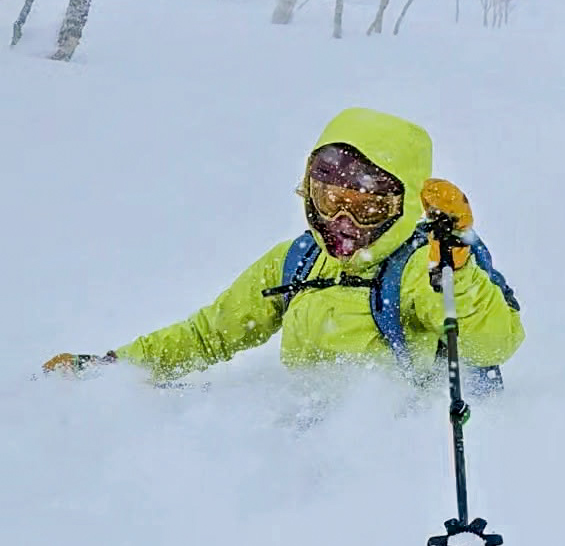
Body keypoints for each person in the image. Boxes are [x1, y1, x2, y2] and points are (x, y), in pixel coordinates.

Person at [43, 108, 524, 386]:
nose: (343, 222)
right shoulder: (297, 260)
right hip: (299, 444)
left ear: (403, 207)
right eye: (329, 200)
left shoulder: (423, 267)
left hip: (388, 459)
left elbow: (493, 343)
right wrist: (111, 370)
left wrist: (457, 276)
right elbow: (210, 335)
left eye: (367, 207)